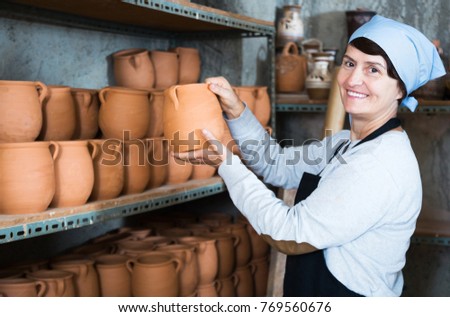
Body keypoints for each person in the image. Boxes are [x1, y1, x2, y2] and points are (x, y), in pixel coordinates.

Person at [174, 15, 446, 296]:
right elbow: (275, 163)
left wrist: (228, 165)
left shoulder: (378, 164)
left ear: (400, 88)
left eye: (373, 70)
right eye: (350, 63)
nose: (353, 79)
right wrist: (236, 111)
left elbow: (289, 234)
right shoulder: (344, 144)